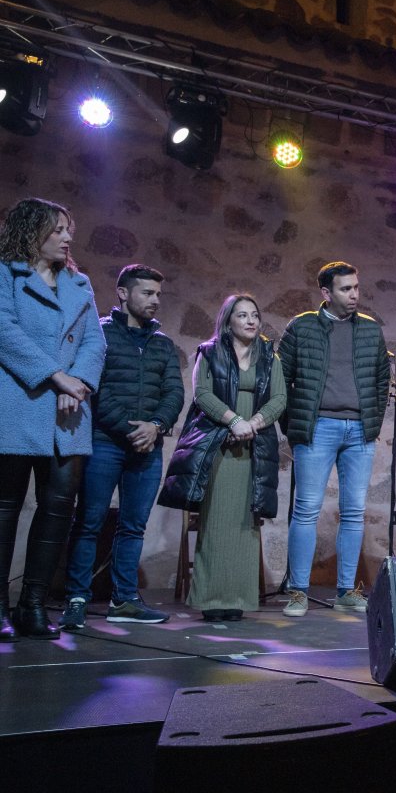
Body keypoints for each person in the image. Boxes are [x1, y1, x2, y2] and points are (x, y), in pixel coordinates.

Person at [0, 198, 104, 641]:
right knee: (4, 510)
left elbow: (95, 343)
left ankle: (34, 605)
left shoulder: (80, 284)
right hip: (18, 402)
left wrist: (76, 382)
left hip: (70, 412)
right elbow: (4, 332)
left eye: (69, 229)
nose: (67, 237)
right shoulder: (7, 274)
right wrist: (56, 377)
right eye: (58, 229)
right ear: (32, 230)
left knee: (59, 508)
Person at [60, 265, 185, 630]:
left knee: (133, 527)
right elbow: (96, 389)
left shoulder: (162, 343)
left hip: (147, 448)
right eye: (147, 293)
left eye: (158, 294)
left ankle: (124, 600)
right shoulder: (100, 335)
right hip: (105, 444)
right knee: (89, 522)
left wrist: (157, 426)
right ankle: (76, 599)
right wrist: (133, 429)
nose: (155, 300)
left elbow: (174, 392)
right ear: (123, 293)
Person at [158, 295, 286, 621]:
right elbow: (202, 394)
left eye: (255, 314)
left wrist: (253, 423)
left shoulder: (270, 358)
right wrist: (233, 421)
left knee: (246, 524)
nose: (250, 320)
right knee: (216, 522)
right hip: (218, 443)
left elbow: (279, 398)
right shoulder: (209, 352)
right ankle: (213, 599)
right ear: (228, 320)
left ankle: (240, 598)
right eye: (242, 315)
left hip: (253, 446)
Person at [279, 262, 390, 616]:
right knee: (307, 509)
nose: (354, 294)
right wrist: (294, 424)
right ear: (326, 293)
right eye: (346, 289)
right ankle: (297, 591)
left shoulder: (371, 331)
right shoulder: (302, 326)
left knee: (354, 512)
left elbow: (382, 382)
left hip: (359, 431)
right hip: (317, 428)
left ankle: (346, 590)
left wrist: (370, 424)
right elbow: (281, 380)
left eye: (356, 287)